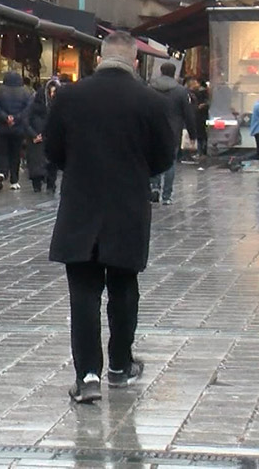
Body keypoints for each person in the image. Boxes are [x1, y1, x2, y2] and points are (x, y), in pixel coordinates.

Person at [45, 31, 176, 403]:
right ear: (134, 61)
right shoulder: (151, 101)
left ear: (100, 57)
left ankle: (87, 376)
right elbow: (164, 158)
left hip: (81, 207)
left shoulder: (69, 97)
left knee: (83, 294)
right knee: (124, 288)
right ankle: (120, 365)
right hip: (127, 207)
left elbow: (53, 150)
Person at [149, 63, 196, 204]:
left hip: (153, 129)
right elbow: (189, 114)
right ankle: (167, 196)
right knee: (170, 162)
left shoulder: (150, 88)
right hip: (173, 131)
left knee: (153, 159)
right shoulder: (181, 92)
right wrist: (193, 134)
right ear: (174, 73)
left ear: (161, 72)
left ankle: (154, 188)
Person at [0, 72, 34, 191]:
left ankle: (1, 172)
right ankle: (14, 180)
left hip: (1, 128)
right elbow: (28, 109)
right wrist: (16, 118)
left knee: (1, 152)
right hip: (18, 129)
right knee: (15, 154)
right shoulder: (27, 92)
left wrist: (5, 117)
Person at [26, 80, 60, 194]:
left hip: (49, 137)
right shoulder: (34, 106)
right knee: (36, 162)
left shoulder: (56, 106)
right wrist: (33, 134)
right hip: (36, 137)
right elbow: (26, 121)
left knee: (51, 162)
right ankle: (38, 184)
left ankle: (50, 185)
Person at [188, 78, 210, 157]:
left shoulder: (199, 92)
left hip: (200, 116)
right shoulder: (191, 93)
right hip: (198, 116)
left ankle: (201, 151)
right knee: (200, 134)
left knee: (201, 133)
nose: (197, 84)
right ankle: (200, 151)